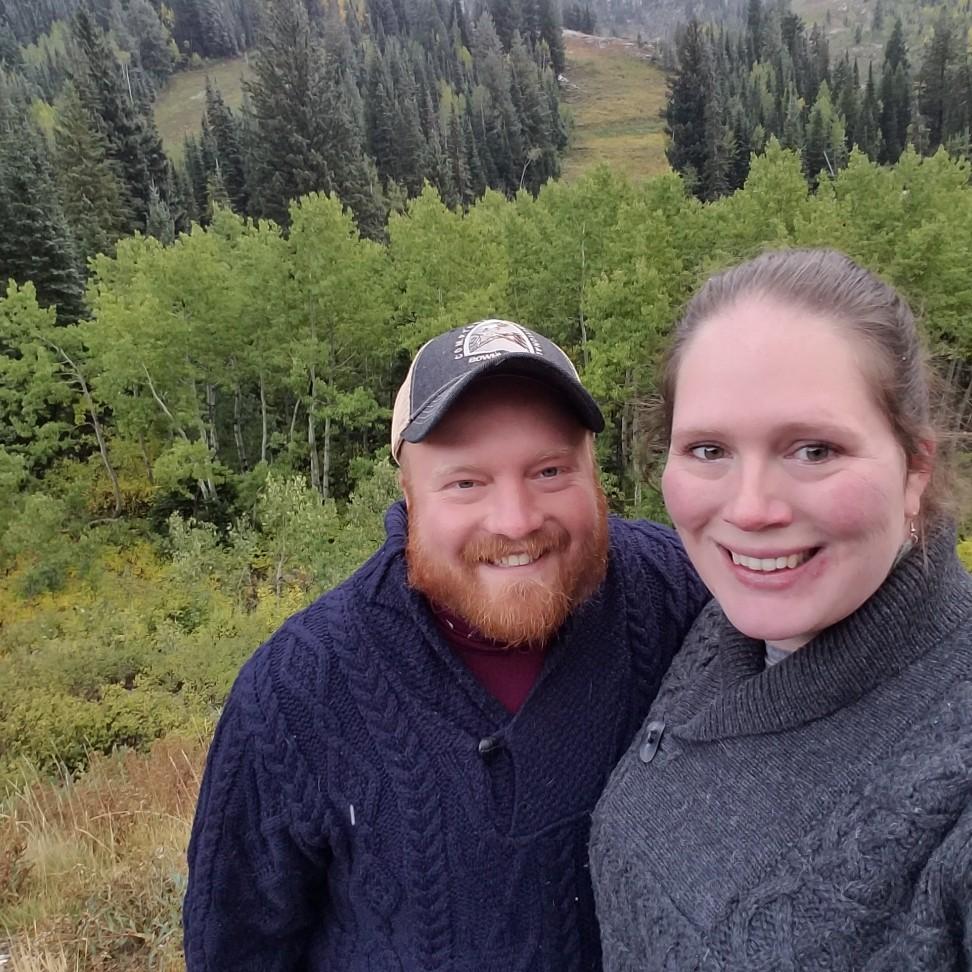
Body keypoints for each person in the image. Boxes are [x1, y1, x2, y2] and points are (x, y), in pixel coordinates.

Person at [183, 318, 707, 971]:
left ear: (593, 472)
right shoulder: (295, 693)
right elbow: (233, 946)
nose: (516, 521)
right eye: (466, 482)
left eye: (549, 470)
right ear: (408, 493)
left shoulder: (676, 589)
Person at [590, 249, 972, 970]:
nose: (751, 509)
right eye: (709, 450)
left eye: (814, 450)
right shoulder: (727, 626)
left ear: (915, 469)